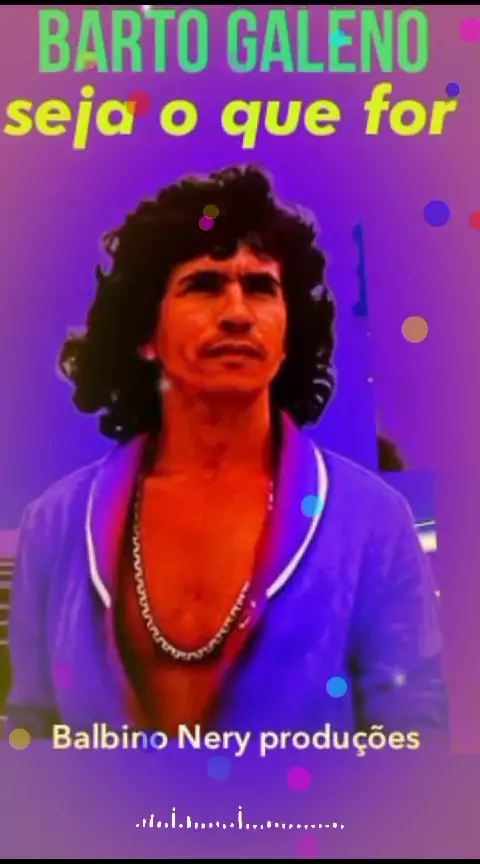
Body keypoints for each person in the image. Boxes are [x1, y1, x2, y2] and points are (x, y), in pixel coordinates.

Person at [6, 165, 448, 740]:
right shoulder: (55, 524)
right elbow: (32, 737)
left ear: (288, 335)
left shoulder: (375, 522)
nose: (238, 312)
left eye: (261, 287)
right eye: (204, 285)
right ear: (145, 334)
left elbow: (414, 740)